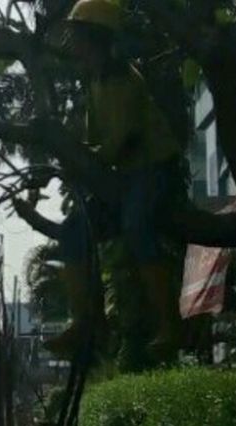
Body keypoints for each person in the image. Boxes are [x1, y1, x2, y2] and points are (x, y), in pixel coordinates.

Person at [63, 0, 183, 354]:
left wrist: (88, 159)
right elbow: (97, 140)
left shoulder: (122, 78)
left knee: (136, 225)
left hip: (154, 169)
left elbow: (121, 142)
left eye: (77, 35)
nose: (73, 43)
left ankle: (168, 323)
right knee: (73, 230)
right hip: (125, 177)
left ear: (95, 37)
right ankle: (87, 320)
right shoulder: (96, 81)